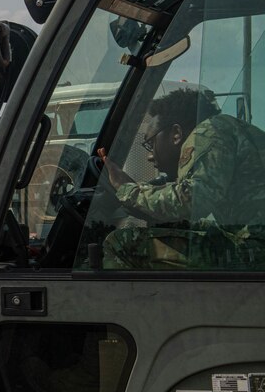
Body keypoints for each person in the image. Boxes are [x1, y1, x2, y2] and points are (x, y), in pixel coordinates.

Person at [103, 87, 265, 269]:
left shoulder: (209, 131)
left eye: (151, 143)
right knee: (178, 225)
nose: (150, 156)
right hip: (249, 240)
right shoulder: (231, 129)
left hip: (254, 252)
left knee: (121, 242)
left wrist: (129, 191)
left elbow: (193, 200)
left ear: (176, 134)